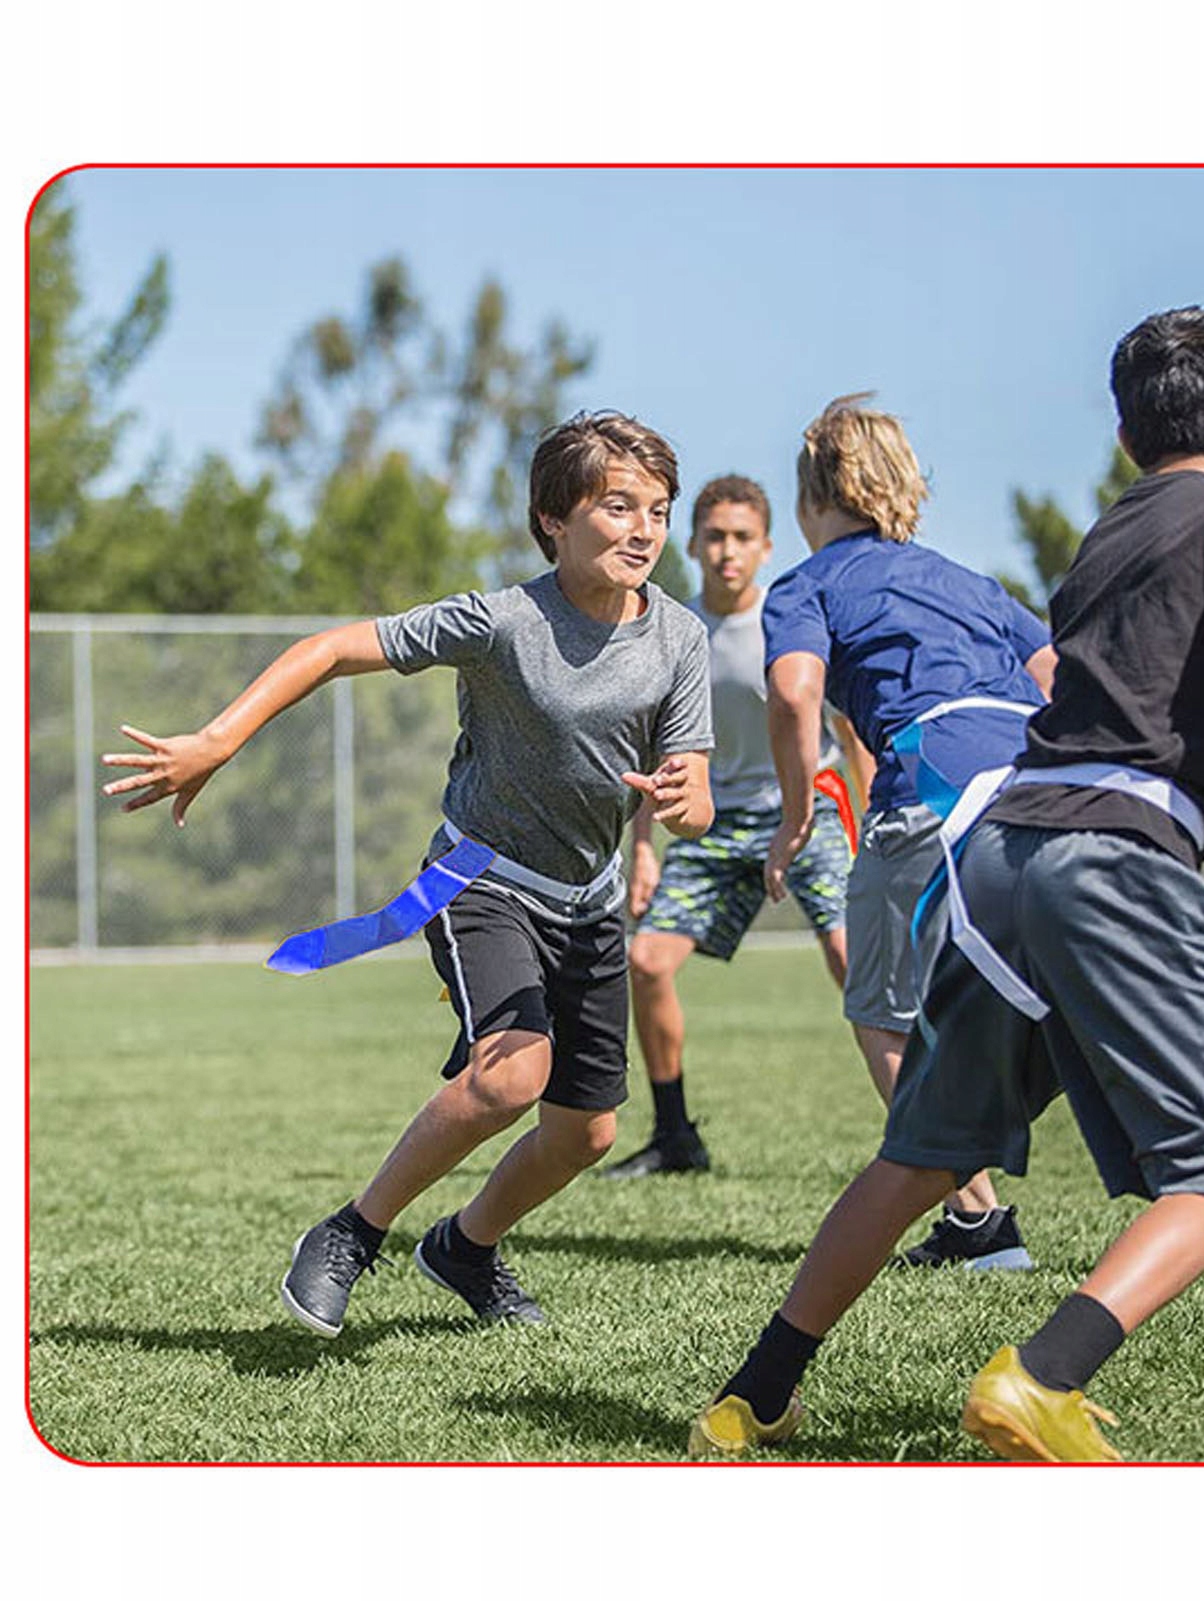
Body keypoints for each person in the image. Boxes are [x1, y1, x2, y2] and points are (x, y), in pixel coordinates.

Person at [688, 308, 1204, 1461]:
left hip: (1002, 854)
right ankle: (1040, 1376)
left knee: (919, 1156)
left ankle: (750, 1396)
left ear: (1123, 436)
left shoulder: (1106, 536)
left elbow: (1115, 707)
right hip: (1110, 859)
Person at [101, 412, 714, 1337]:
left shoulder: (679, 637)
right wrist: (218, 740)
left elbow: (693, 795)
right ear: (552, 518)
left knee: (585, 1132)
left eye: (659, 512)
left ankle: (464, 1246)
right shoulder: (502, 621)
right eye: (619, 506)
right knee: (510, 1076)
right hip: (481, 878)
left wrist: (682, 801)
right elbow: (331, 649)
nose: (644, 530)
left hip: (588, 905)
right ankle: (350, 1232)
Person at [759, 395, 1056, 1269]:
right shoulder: (969, 582)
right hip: (1040, 789)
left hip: (929, 793)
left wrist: (795, 813)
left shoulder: (808, 583)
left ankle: (977, 1222)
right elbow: (1059, 676)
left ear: (812, 496)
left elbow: (793, 691)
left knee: (881, 1013)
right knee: (1032, 996)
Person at [604, 474, 858, 1178]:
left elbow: (849, 732)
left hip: (808, 810)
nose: (727, 551)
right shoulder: (670, 631)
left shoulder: (792, 624)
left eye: (742, 537)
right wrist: (644, 850)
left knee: (855, 962)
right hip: (711, 824)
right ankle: (674, 1136)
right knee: (646, 961)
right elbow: (655, 755)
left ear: (767, 547)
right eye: (714, 536)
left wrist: (870, 827)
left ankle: (928, 1135)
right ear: (691, 544)